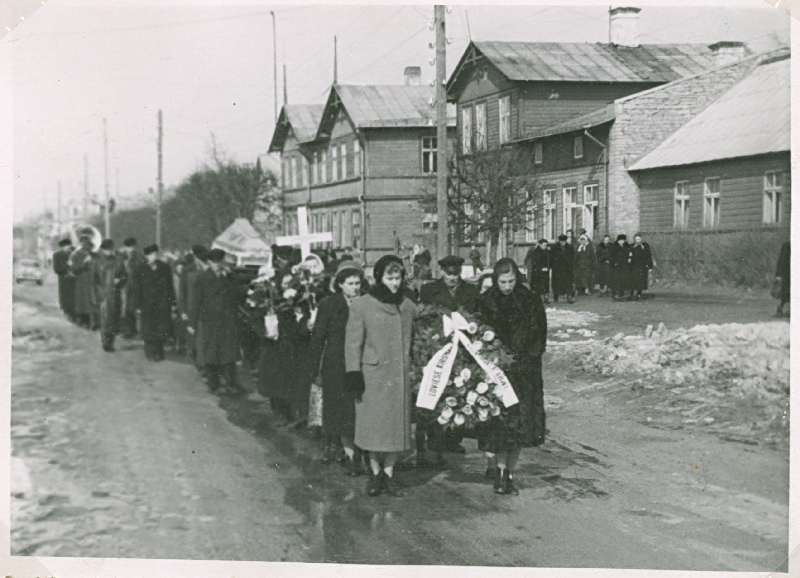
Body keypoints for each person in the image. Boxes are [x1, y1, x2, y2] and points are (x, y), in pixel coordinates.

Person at [345, 255, 416, 497]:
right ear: (379, 278)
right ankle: (375, 475)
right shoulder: (362, 304)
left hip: (398, 377)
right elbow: (353, 343)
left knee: (397, 429)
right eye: (390, 278)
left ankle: (388, 474)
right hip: (372, 377)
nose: (395, 283)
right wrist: (353, 372)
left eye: (398, 278)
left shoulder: (408, 306)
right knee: (374, 429)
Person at [475, 258, 547, 495]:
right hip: (498, 373)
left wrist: (528, 358)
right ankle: (499, 470)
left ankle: (509, 474)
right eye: (503, 282)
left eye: (512, 281)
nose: (507, 286)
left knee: (519, 427)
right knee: (500, 427)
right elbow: (479, 334)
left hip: (524, 373)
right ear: (495, 280)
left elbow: (540, 335)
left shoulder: (530, 300)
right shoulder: (487, 302)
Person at [308, 261, 370, 475]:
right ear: (340, 285)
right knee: (334, 404)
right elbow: (317, 337)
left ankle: (352, 449)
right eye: (350, 283)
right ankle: (330, 445)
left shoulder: (366, 303)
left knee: (353, 406)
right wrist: (315, 368)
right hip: (335, 361)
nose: (355, 287)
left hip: (359, 361)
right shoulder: (328, 304)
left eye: (358, 283)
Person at [417, 255, 480, 463]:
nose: (452, 278)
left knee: (461, 390)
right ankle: (435, 444)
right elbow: (424, 318)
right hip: (439, 348)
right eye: (448, 273)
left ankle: (454, 439)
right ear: (441, 271)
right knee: (438, 391)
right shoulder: (429, 290)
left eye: (456, 273)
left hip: (463, 349)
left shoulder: (471, 291)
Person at [259, 272, 313, 424]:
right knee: (278, 383)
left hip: (297, 349)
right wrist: (268, 328)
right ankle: (280, 413)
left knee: (296, 383)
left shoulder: (304, 304)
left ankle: (297, 415)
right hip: (277, 350)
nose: (289, 288)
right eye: (285, 284)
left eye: (292, 285)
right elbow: (259, 324)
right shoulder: (273, 304)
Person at [188, 249, 242, 394]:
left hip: (227, 320)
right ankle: (214, 384)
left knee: (228, 354)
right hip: (210, 320)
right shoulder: (203, 278)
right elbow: (196, 302)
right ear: (209, 263)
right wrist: (192, 323)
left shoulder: (228, 277)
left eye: (219, 262)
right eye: (213, 262)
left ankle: (231, 384)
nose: (217, 265)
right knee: (211, 354)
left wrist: (230, 276)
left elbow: (236, 295)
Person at [136, 244, 176, 361]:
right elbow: (136, 288)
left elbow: (170, 286)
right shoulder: (141, 268)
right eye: (152, 254)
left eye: (156, 254)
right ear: (146, 256)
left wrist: (173, 302)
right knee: (148, 329)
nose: (154, 256)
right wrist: (137, 305)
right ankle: (150, 352)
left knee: (161, 329)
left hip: (162, 303)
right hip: (146, 303)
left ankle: (159, 351)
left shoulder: (165, 267)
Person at [92, 239, 127, 352]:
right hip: (104, 295)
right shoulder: (97, 262)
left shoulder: (118, 260)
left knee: (115, 318)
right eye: (107, 249)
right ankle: (106, 343)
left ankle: (111, 341)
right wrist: (99, 295)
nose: (109, 252)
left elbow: (124, 276)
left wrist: (120, 280)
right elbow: (94, 280)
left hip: (115, 293)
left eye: (110, 249)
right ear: (102, 249)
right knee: (105, 319)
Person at [69, 235, 99, 330]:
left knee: (94, 303)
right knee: (83, 304)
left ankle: (95, 323)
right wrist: (84, 263)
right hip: (82, 282)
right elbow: (74, 269)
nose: (87, 246)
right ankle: (85, 322)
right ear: (81, 243)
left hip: (93, 282)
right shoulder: (75, 255)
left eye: (88, 244)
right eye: (84, 243)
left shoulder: (93, 254)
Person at [120, 237, 147, 339]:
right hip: (124, 285)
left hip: (136, 286)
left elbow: (143, 271)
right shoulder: (121, 256)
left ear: (134, 247)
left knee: (134, 308)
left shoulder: (140, 257)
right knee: (125, 309)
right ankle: (128, 331)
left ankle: (137, 330)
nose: (129, 249)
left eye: (131, 247)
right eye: (127, 247)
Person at [53, 238, 76, 323]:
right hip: (63, 279)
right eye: (66, 246)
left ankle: (72, 314)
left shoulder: (72, 254)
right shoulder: (57, 255)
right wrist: (66, 266)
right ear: (62, 247)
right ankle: (66, 312)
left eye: (69, 246)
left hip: (73, 279)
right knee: (65, 297)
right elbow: (56, 269)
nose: (68, 247)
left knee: (73, 297)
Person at [550, 234, 575, 303]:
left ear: (565, 241)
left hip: (567, 268)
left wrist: (572, 266)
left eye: (563, 242)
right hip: (557, 268)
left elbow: (573, 257)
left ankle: (568, 297)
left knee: (568, 283)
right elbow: (551, 258)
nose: (562, 243)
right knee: (556, 283)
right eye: (561, 242)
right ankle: (555, 296)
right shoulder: (554, 247)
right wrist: (552, 266)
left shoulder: (570, 247)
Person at [525, 239, 551, 304]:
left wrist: (548, 267)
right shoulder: (535, 252)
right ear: (540, 245)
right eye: (544, 245)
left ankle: (545, 299)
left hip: (545, 272)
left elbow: (550, 261)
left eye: (546, 245)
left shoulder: (547, 252)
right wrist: (541, 268)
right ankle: (540, 300)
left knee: (545, 285)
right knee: (539, 286)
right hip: (537, 273)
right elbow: (534, 263)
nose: (545, 246)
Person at [629, 234, 654, 301]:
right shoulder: (631, 246)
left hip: (642, 266)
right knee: (633, 280)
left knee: (641, 281)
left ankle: (639, 294)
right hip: (634, 266)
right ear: (634, 239)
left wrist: (650, 266)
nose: (638, 241)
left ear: (641, 239)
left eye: (639, 239)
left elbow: (648, 256)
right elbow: (629, 256)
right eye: (636, 239)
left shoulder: (645, 246)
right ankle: (631, 294)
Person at [609, 234, 633, 301]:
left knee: (624, 280)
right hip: (616, 267)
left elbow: (630, 254)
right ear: (618, 240)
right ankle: (616, 295)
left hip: (625, 266)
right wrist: (614, 262)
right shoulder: (614, 247)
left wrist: (630, 258)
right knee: (616, 281)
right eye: (620, 240)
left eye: (623, 240)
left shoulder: (628, 246)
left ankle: (623, 295)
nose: (622, 242)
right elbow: (610, 256)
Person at [775, 241, 790, 317]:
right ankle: (781, 309)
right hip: (788, 274)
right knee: (786, 294)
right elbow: (782, 261)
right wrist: (779, 275)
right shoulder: (787, 245)